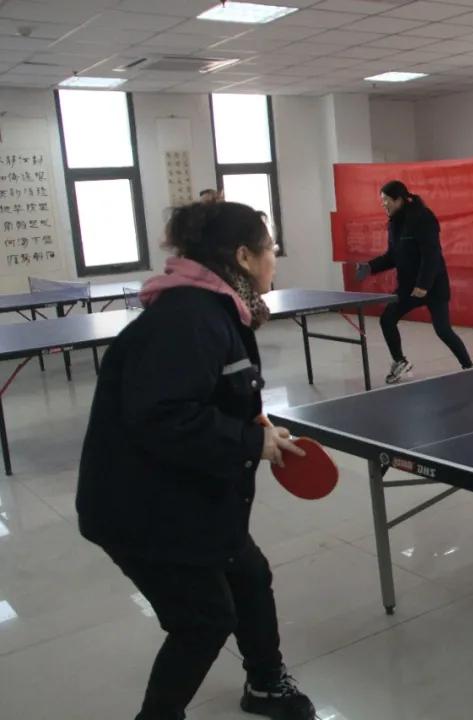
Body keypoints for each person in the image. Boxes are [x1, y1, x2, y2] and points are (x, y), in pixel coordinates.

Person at [76, 201, 316, 720]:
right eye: (271, 248)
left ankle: (265, 685)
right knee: (203, 620)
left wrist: (256, 426)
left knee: (249, 575)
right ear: (244, 256)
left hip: (187, 490)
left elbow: (205, 394)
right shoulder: (189, 318)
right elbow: (162, 416)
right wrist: (249, 443)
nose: (275, 258)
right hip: (140, 507)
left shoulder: (216, 308)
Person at [355, 180, 473, 383]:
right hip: (408, 287)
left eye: (386, 200)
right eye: (382, 200)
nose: (383, 204)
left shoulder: (423, 218)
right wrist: (370, 267)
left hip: (433, 285)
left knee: (443, 330)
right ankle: (400, 361)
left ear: (398, 199)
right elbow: (393, 256)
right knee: (387, 319)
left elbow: (431, 255)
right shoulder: (394, 223)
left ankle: (469, 366)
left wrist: (423, 284)